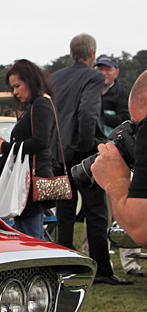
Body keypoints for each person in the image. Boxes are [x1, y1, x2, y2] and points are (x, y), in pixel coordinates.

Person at [51, 34, 129, 284]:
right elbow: (87, 112)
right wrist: (87, 147)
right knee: (96, 211)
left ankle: (62, 267)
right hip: (81, 151)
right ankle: (102, 271)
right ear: (92, 53)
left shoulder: (55, 77)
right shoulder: (94, 77)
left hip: (58, 152)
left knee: (64, 212)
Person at [0, 60, 63, 239]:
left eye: (17, 86)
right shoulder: (37, 104)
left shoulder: (40, 104)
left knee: (30, 236)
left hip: (31, 178)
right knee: (29, 232)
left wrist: (5, 147)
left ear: (30, 81)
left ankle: (38, 266)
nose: (15, 92)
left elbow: (40, 141)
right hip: (29, 177)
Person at [93, 54, 141, 276]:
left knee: (128, 204)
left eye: (107, 69)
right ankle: (93, 253)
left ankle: (131, 261)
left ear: (116, 72)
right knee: (97, 212)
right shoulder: (92, 90)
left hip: (121, 156)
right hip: (98, 152)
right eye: (99, 68)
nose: (103, 73)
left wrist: (101, 115)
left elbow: (126, 120)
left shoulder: (122, 93)